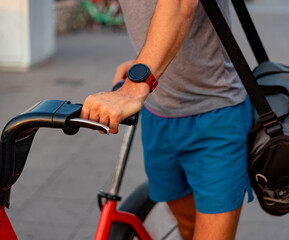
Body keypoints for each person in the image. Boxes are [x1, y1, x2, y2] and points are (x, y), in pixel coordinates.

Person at [80, 0, 254, 239]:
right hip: (157, 113)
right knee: (187, 228)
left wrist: (135, 84)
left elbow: (182, 4)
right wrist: (140, 60)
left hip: (214, 114)